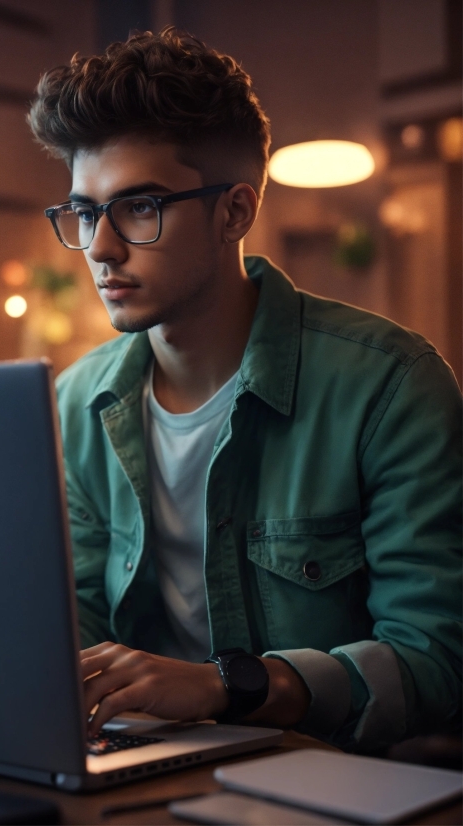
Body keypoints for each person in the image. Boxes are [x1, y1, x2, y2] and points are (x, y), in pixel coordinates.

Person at [28, 28, 461, 752]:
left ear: (235, 211)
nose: (100, 246)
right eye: (85, 211)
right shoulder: (76, 404)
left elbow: (439, 661)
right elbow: (73, 633)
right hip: (150, 769)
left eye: (139, 206)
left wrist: (231, 686)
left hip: (337, 776)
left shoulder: (391, 385)